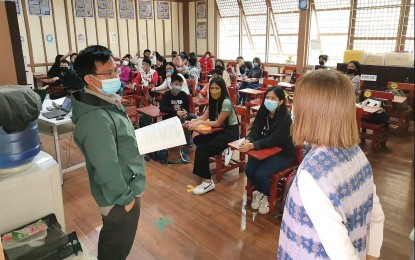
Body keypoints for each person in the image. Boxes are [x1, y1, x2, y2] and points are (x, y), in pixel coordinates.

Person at [277, 70, 384, 259]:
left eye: (296, 103)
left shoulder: (313, 174)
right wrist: (372, 255)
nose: (293, 109)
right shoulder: (357, 153)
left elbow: (342, 254)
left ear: (310, 113)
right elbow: (376, 215)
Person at [71, 45, 145, 260]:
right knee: (116, 248)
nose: (116, 76)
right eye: (109, 73)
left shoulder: (105, 101)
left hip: (127, 182)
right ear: (89, 79)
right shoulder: (94, 118)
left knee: (118, 243)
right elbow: (106, 167)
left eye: (116, 70)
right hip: (119, 197)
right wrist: (126, 199)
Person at [239, 86, 295, 214]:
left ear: (280, 101)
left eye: (273, 98)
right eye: (267, 98)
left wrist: (253, 146)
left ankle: (268, 195)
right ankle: (260, 191)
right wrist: (249, 140)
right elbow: (255, 130)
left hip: (283, 153)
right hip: (265, 150)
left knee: (260, 173)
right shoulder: (263, 111)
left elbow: (273, 140)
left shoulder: (285, 119)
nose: (269, 101)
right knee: (249, 169)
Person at [184, 77, 239, 195]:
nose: (214, 90)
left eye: (217, 88)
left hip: (230, 133)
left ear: (222, 88)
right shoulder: (213, 100)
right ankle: (223, 149)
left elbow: (218, 123)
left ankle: (208, 182)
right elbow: (204, 117)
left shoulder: (226, 102)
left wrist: (199, 123)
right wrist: (192, 122)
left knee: (202, 149)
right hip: (221, 130)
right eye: (212, 88)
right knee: (198, 139)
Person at [159, 73, 196, 163]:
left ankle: (190, 139)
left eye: (180, 85)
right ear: (171, 84)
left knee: (194, 117)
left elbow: (187, 108)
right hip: (170, 117)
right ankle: (185, 148)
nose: (178, 87)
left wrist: (185, 112)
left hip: (182, 115)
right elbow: (162, 107)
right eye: (176, 84)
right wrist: (176, 112)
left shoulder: (183, 95)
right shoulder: (167, 95)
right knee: (184, 122)